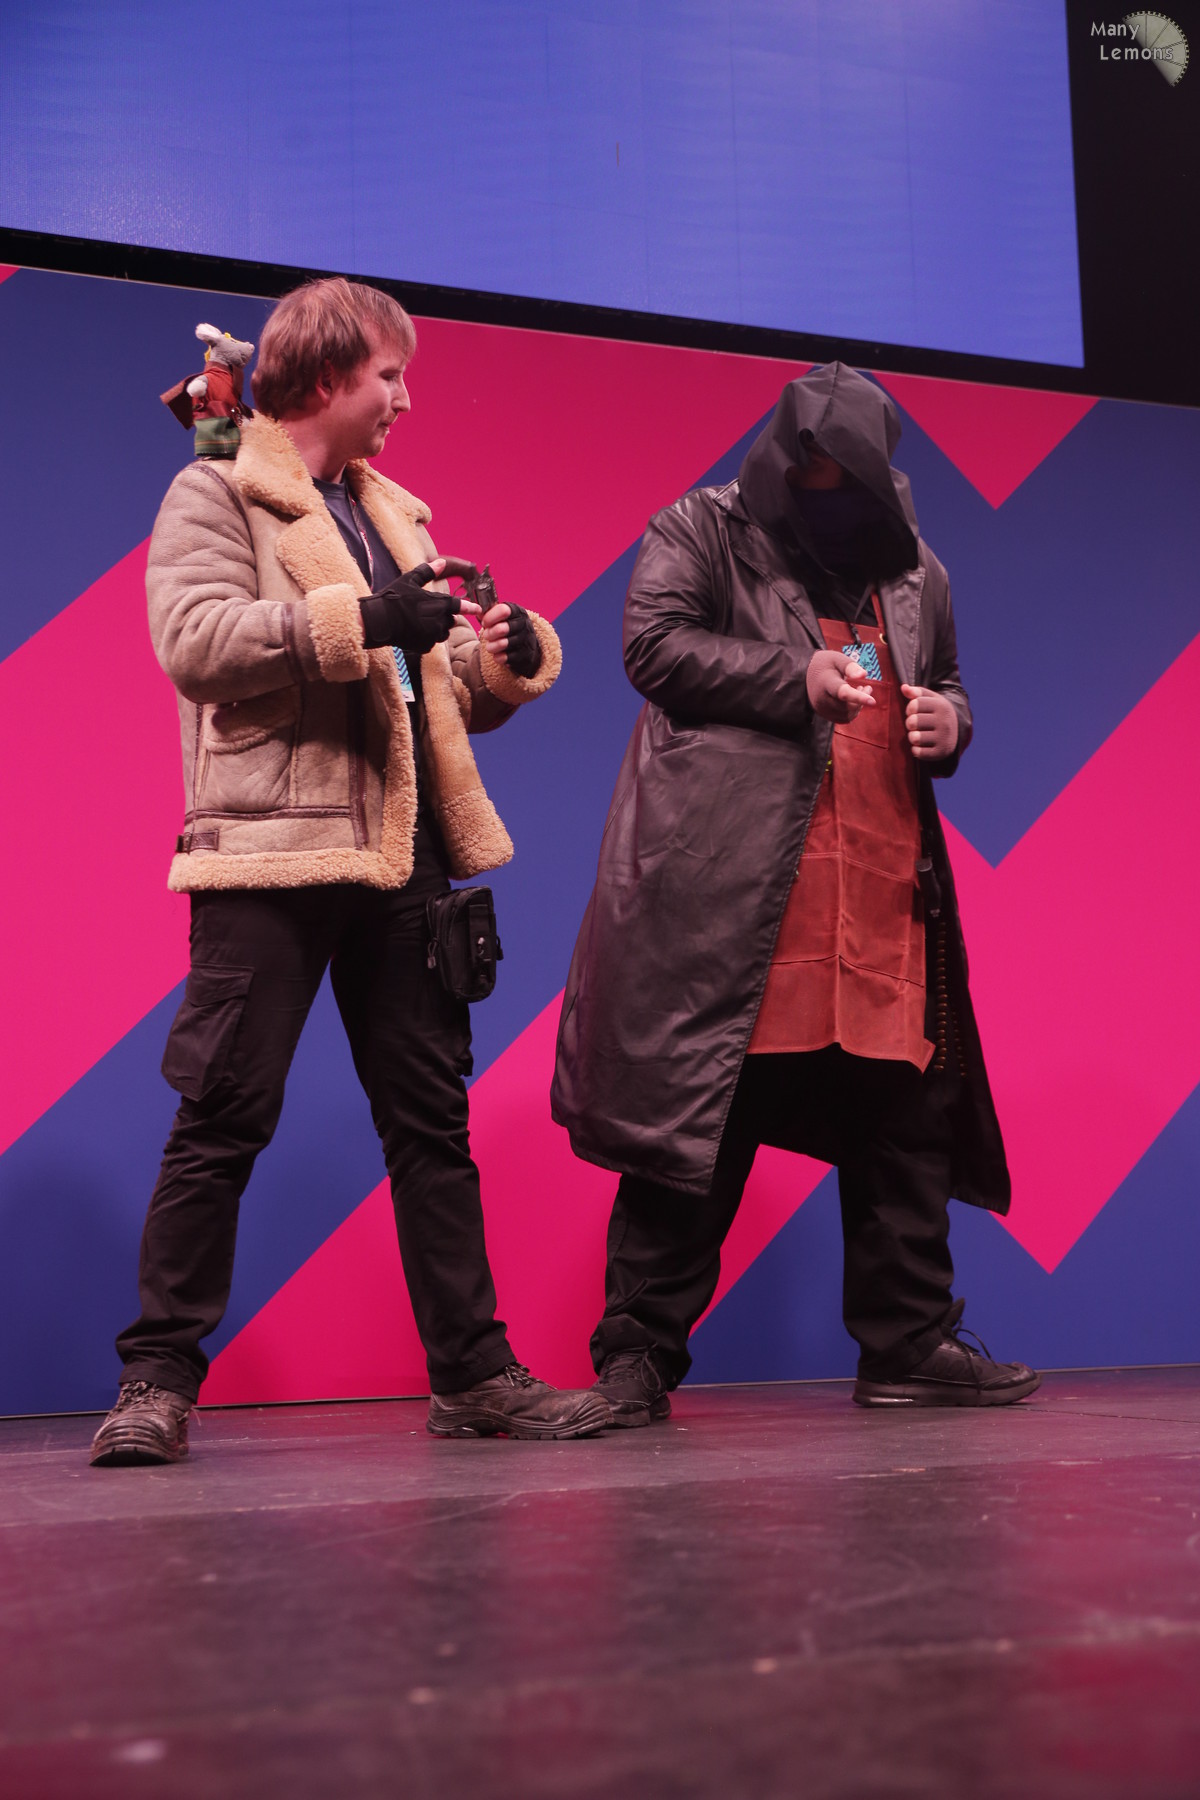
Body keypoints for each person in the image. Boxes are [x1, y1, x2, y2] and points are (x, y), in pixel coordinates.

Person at [91, 278, 609, 1463]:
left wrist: (502, 659)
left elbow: (430, 690)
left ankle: (474, 1376)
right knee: (222, 1119)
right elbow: (196, 644)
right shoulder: (218, 490)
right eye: (389, 375)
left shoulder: (392, 514)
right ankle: (155, 1382)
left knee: (433, 1127)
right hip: (268, 858)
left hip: (400, 856)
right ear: (327, 375)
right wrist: (363, 620)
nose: (404, 399)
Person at [552, 362, 1040, 1425]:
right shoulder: (702, 528)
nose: (824, 500)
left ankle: (908, 1346)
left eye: (844, 484)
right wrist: (794, 676)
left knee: (902, 1123)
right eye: (808, 479)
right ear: (779, 462)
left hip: (880, 887)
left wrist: (950, 723)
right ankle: (638, 1357)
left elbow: (948, 680)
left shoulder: (916, 571)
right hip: (736, 894)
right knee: (702, 1121)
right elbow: (652, 645)